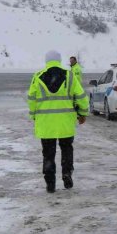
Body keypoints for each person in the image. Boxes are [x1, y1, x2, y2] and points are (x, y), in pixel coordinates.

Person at [27, 50, 89, 193]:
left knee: (48, 153)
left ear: (46, 60)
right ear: (60, 60)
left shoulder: (37, 77)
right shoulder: (69, 75)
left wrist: (34, 116)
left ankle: (50, 182)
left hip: (46, 124)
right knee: (67, 149)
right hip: (65, 123)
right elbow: (81, 97)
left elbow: (31, 98)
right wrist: (82, 113)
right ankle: (67, 173)